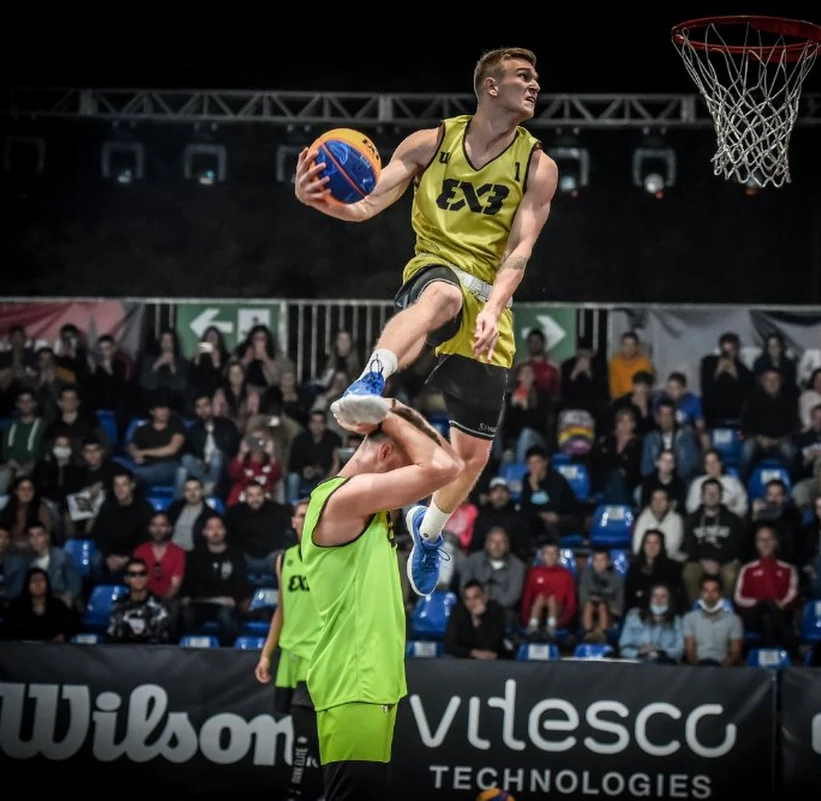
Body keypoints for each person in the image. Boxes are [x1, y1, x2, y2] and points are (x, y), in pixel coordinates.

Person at [293, 47, 558, 598]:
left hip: (492, 297)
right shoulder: (430, 143)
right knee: (440, 295)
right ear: (490, 86)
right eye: (523, 77)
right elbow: (366, 203)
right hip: (437, 267)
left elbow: (520, 249)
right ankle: (371, 379)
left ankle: (429, 530)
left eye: (535, 78)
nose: (535, 85)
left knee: (473, 454)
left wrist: (493, 307)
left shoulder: (538, 166)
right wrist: (320, 202)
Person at [300, 396, 463, 800]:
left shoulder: (366, 508)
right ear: (386, 451)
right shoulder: (340, 499)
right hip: (354, 682)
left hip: (371, 684)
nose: (410, 483)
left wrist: (394, 407)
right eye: (405, 469)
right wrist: (388, 414)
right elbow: (443, 469)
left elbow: (449, 462)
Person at [255, 499, 321, 801]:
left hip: (317, 657)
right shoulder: (285, 559)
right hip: (290, 657)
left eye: (310, 515)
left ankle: (299, 791)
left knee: (306, 734)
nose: (304, 519)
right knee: (303, 735)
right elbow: (281, 609)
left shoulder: (328, 555)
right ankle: (311, 790)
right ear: (293, 522)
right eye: (300, 515)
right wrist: (267, 653)